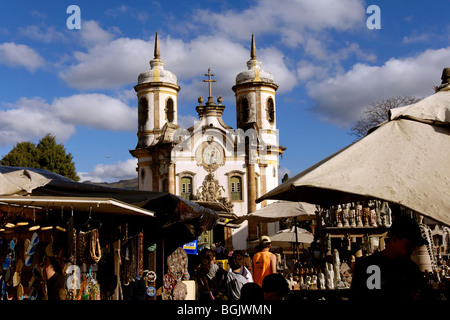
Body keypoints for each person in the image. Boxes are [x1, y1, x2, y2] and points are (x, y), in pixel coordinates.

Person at [351, 215, 428, 302]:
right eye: (409, 244)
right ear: (394, 239)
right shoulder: (367, 266)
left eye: (415, 245)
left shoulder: (412, 270)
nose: (413, 248)